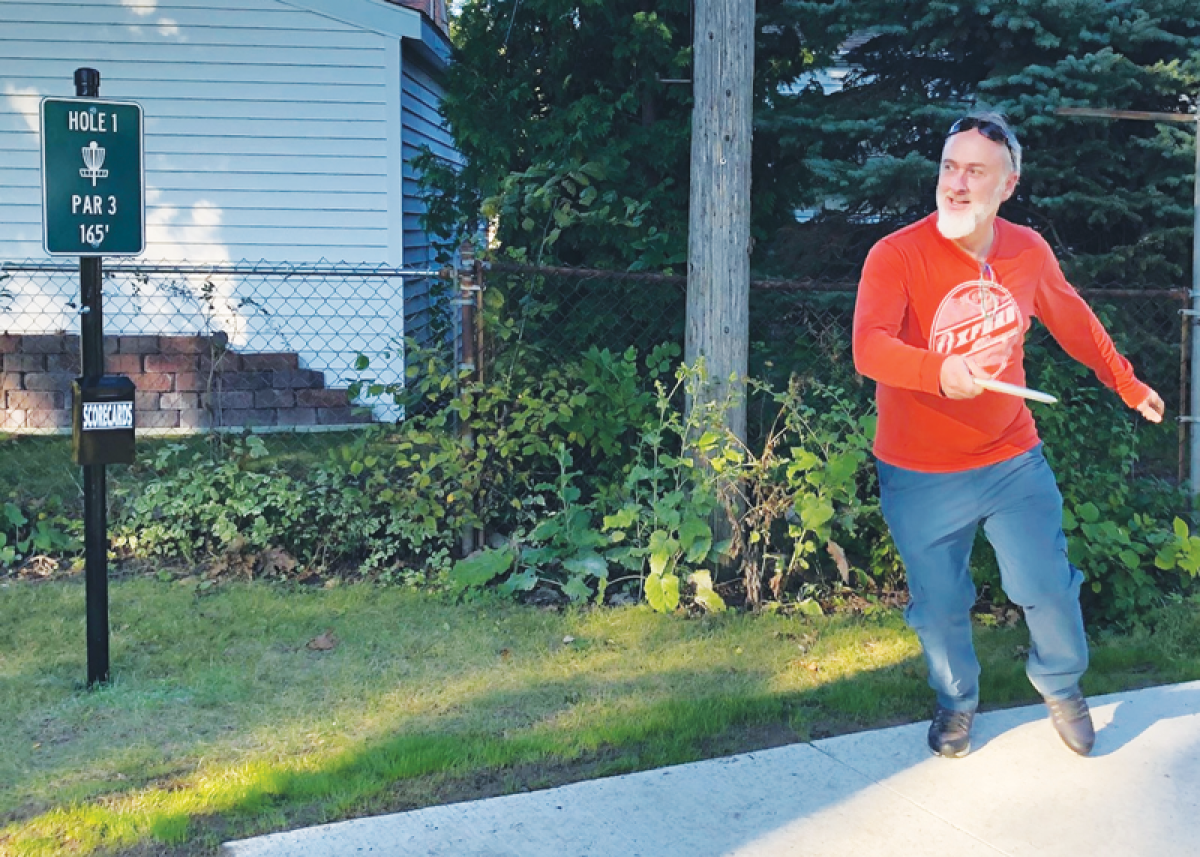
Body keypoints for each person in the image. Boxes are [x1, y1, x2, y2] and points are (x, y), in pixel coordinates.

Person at [851, 111, 1166, 758]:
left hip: (1010, 459)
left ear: (1008, 185)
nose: (957, 184)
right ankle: (956, 701)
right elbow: (868, 348)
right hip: (918, 471)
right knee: (938, 606)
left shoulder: (1026, 251)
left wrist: (1127, 382)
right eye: (948, 168)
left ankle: (1060, 682)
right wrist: (939, 370)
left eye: (975, 171)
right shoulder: (896, 255)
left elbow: (1074, 319)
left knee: (1046, 584)